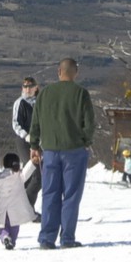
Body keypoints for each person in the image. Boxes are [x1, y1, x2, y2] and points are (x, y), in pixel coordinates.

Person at [29, 58, 97, 249]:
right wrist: (85, 141)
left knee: (50, 193)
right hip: (74, 150)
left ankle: (47, 238)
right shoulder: (81, 93)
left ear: (59, 71)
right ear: (76, 72)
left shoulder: (45, 93)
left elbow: (36, 121)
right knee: (71, 194)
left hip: (50, 150)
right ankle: (67, 238)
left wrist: (34, 144)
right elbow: (89, 123)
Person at [11, 77, 43, 217]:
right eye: (25, 87)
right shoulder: (20, 103)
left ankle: (18, 206)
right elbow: (16, 123)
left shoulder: (40, 103)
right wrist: (26, 135)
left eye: (30, 86)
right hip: (24, 141)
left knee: (31, 177)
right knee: (36, 174)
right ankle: (27, 210)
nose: (27, 89)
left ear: (36, 87)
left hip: (39, 142)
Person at [0, 153, 39, 250]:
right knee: (14, 227)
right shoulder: (19, 177)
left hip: (3, 210)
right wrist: (32, 162)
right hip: (15, 211)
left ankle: (5, 237)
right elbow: (27, 171)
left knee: (2, 227)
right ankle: (12, 240)